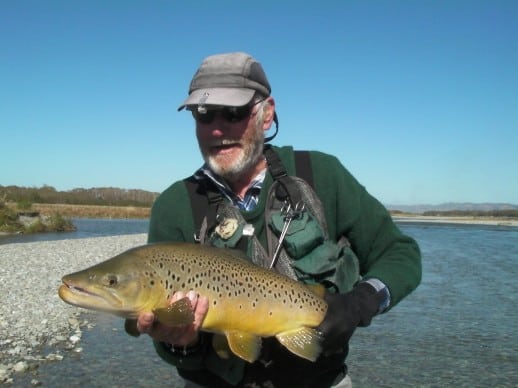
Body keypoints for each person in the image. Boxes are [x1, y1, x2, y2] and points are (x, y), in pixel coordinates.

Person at [135, 52, 421, 387]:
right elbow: (168, 347)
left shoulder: (322, 175)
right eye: (203, 114)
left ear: (267, 114)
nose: (216, 128)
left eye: (233, 112)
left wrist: (361, 302)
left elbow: (400, 254)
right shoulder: (175, 206)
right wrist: (177, 342)